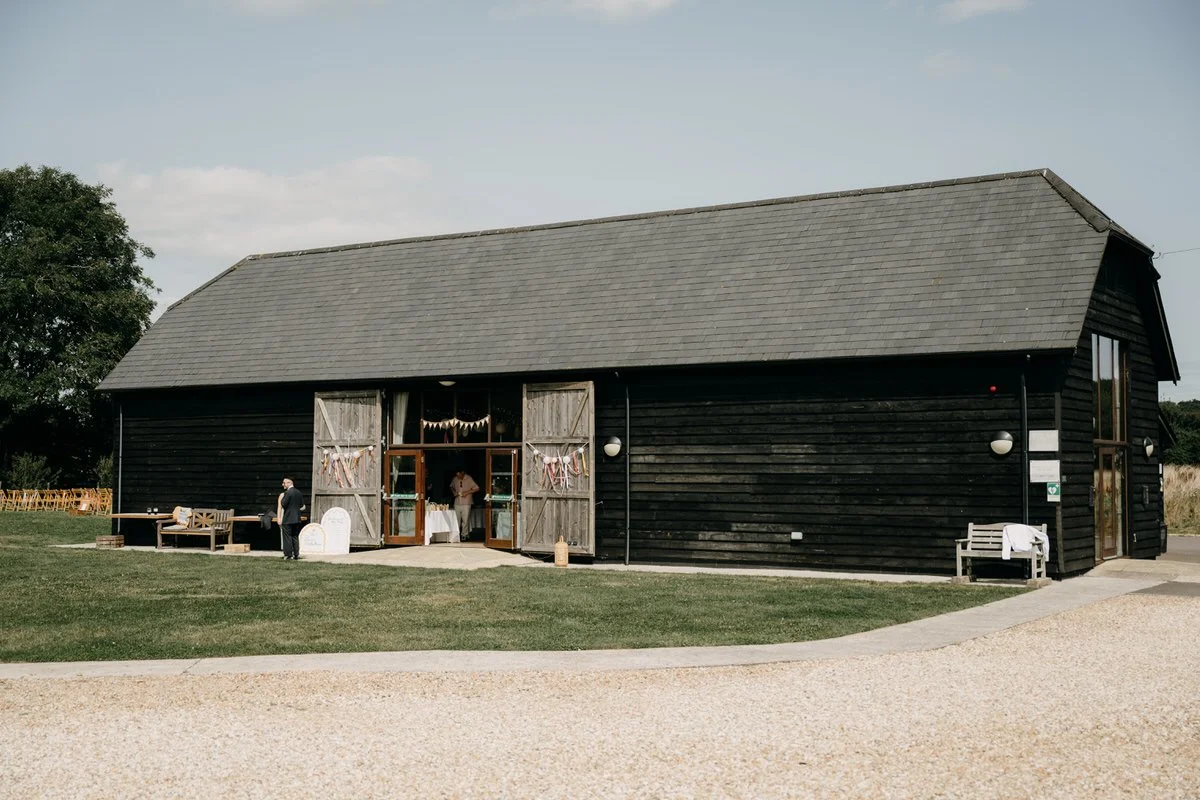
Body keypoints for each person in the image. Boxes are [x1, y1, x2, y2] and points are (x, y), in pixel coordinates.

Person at [278, 477, 305, 560]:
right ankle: (296, 554)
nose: (283, 484)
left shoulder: (288, 493)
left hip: (288, 518)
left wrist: (281, 498)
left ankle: (288, 554)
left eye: (284, 483)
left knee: (287, 537)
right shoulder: (299, 492)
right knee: (295, 536)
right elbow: (301, 505)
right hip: (297, 518)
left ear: (289, 483)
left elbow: (283, 504)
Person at [449, 468, 479, 542]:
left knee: (465, 520)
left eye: (459, 475)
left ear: (463, 473)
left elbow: (477, 488)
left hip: (466, 503)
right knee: (457, 520)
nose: (458, 477)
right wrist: (454, 493)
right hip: (457, 502)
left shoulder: (469, 478)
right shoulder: (455, 479)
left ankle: (464, 535)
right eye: (457, 475)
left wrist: (467, 492)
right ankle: (456, 535)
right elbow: (451, 486)